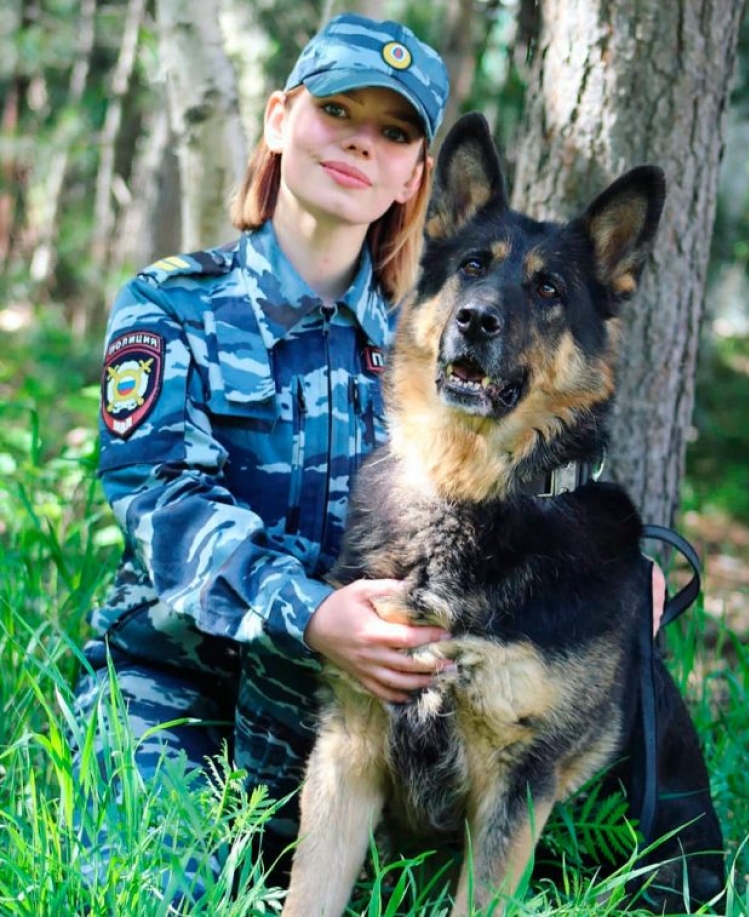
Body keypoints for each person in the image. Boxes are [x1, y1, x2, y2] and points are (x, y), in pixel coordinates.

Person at [73, 11, 666, 902]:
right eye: (336, 111)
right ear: (281, 118)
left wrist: (624, 577)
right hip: (181, 694)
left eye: (390, 132)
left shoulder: (425, 341)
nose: (358, 144)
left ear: (413, 178)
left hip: (332, 726)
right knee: (166, 893)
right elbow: (159, 501)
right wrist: (313, 614)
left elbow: (518, 474)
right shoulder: (173, 305)